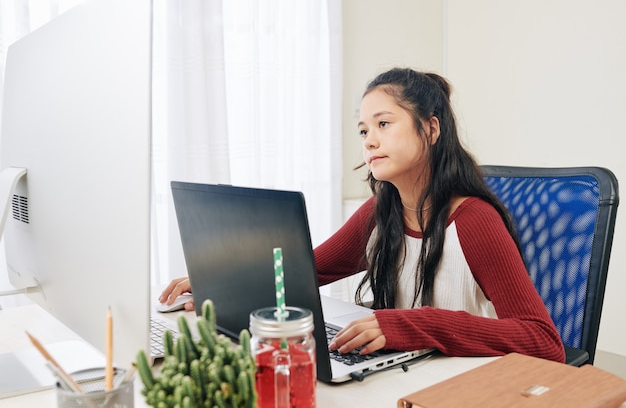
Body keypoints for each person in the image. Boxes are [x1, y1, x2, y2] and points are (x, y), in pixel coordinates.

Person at [160, 67, 565, 363]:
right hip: (413, 375)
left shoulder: (474, 220)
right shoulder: (380, 212)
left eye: (383, 124)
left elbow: (543, 339)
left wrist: (408, 326)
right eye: (363, 130)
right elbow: (306, 273)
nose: (369, 140)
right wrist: (217, 284)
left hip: (469, 385)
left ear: (431, 129)